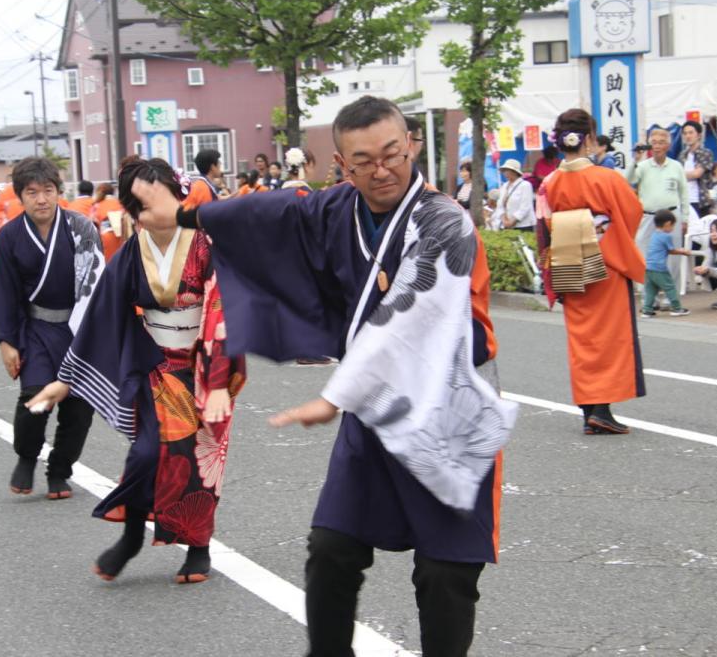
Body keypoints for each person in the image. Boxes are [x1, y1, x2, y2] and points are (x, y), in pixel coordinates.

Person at [103, 96, 514, 656]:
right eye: (363, 159)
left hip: (447, 409)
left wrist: (335, 397)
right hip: (375, 407)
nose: (382, 168)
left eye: (392, 152)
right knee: (331, 547)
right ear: (343, 166)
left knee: (445, 573)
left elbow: (414, 321)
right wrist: (184, 215)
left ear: (411, 145)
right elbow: (269, 212)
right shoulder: (336, 208)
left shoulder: (444, 221)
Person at [30, 156, 245, 584]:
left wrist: (218, 381)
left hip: (205, 369)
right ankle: (130, 537)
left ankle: (198, 547)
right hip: (157, 367)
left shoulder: (208, 245)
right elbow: (103, 315)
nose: (148, 210)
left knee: (199, 462)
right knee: (148, 454)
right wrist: (65, 380)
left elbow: (224, 311)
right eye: (138, 203)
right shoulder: (132, 253)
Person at [0, 158, 103, 498]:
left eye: (48, 191)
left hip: (79, 329)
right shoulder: (9, 237)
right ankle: (26, 456)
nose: (41, 199)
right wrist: (5, 341)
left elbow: (96, 285)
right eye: (32, 192)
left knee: (79, 409)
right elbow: (3, 291)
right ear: (20, 196)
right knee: (35, 398)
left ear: (58, 192)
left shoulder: (81, 229)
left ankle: (59, 470)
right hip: (36, 328)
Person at [541, 108, 646, 435]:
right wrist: (603, 235)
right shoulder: (608, 177)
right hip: (606, 260)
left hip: (569, 261)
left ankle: (589, 411)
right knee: (609, 337)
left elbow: (544, 226)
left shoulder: (550, 183)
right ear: (587, 139)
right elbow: (631, 212)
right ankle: (601, 408)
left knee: (582, 336)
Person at [628, 128, 689, 297]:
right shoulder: (642, 166)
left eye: (661, 143)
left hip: (671, 216)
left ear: (668, 145)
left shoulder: (676, 166)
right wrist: (635, 160)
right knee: (644, 254)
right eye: (654, 142)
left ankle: (672, 296)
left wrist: (685, 218)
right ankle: (649, 295)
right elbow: (629, 180)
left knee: (673, 256)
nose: (657, 146)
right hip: (648, 216)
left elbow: (684, 193)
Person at [640, 210, 691, 319]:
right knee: (670, 287)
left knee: (651, 289)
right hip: (659, 267)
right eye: (672, 225)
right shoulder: (666, 236)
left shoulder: (654, 234)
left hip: (649, 267)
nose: (672, 228)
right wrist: (683, 251)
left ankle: (647, 310)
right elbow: (671, 250)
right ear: (667, 224)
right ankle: (677, 308)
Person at [678, 121, 715, 216]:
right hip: (684, 199)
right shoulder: (682, 155)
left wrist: (681, 174)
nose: (688, 136)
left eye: (691, 133)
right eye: (685, 133)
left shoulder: (705, 153)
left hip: (701, 200)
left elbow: (697, 174)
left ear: (698, 135)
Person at [491, 159, 535, 231]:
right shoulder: (504, 186)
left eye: (508, 170)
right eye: (504, 170)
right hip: (505, 224)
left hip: (523, 225)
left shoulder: (525, 185)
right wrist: (504, 219)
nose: (505, 173)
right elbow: (500, 205)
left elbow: (525, 207)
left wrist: (512, 221)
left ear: (515, 172)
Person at [92, 182, 126, 263]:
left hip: (104, 237)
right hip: (121, 237)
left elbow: (93, 222)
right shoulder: (121, 204)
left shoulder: (97, 205)